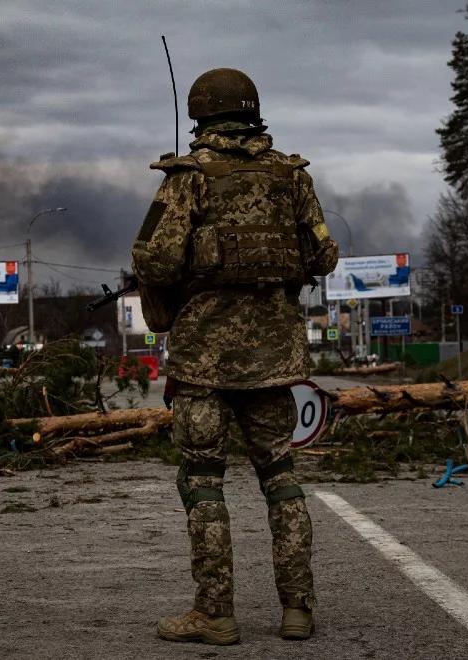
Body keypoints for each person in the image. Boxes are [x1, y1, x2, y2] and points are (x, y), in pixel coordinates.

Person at [131, 67, 339, 646]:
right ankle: (298, 608)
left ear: (200, 115)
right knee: (281, 477)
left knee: (202, 480)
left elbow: (155, 260)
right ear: (253, 112)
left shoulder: (187, 178)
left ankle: (215, 613)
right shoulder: (291, 177)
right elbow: (323, 255)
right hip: (275, 356)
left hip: (203, 359)